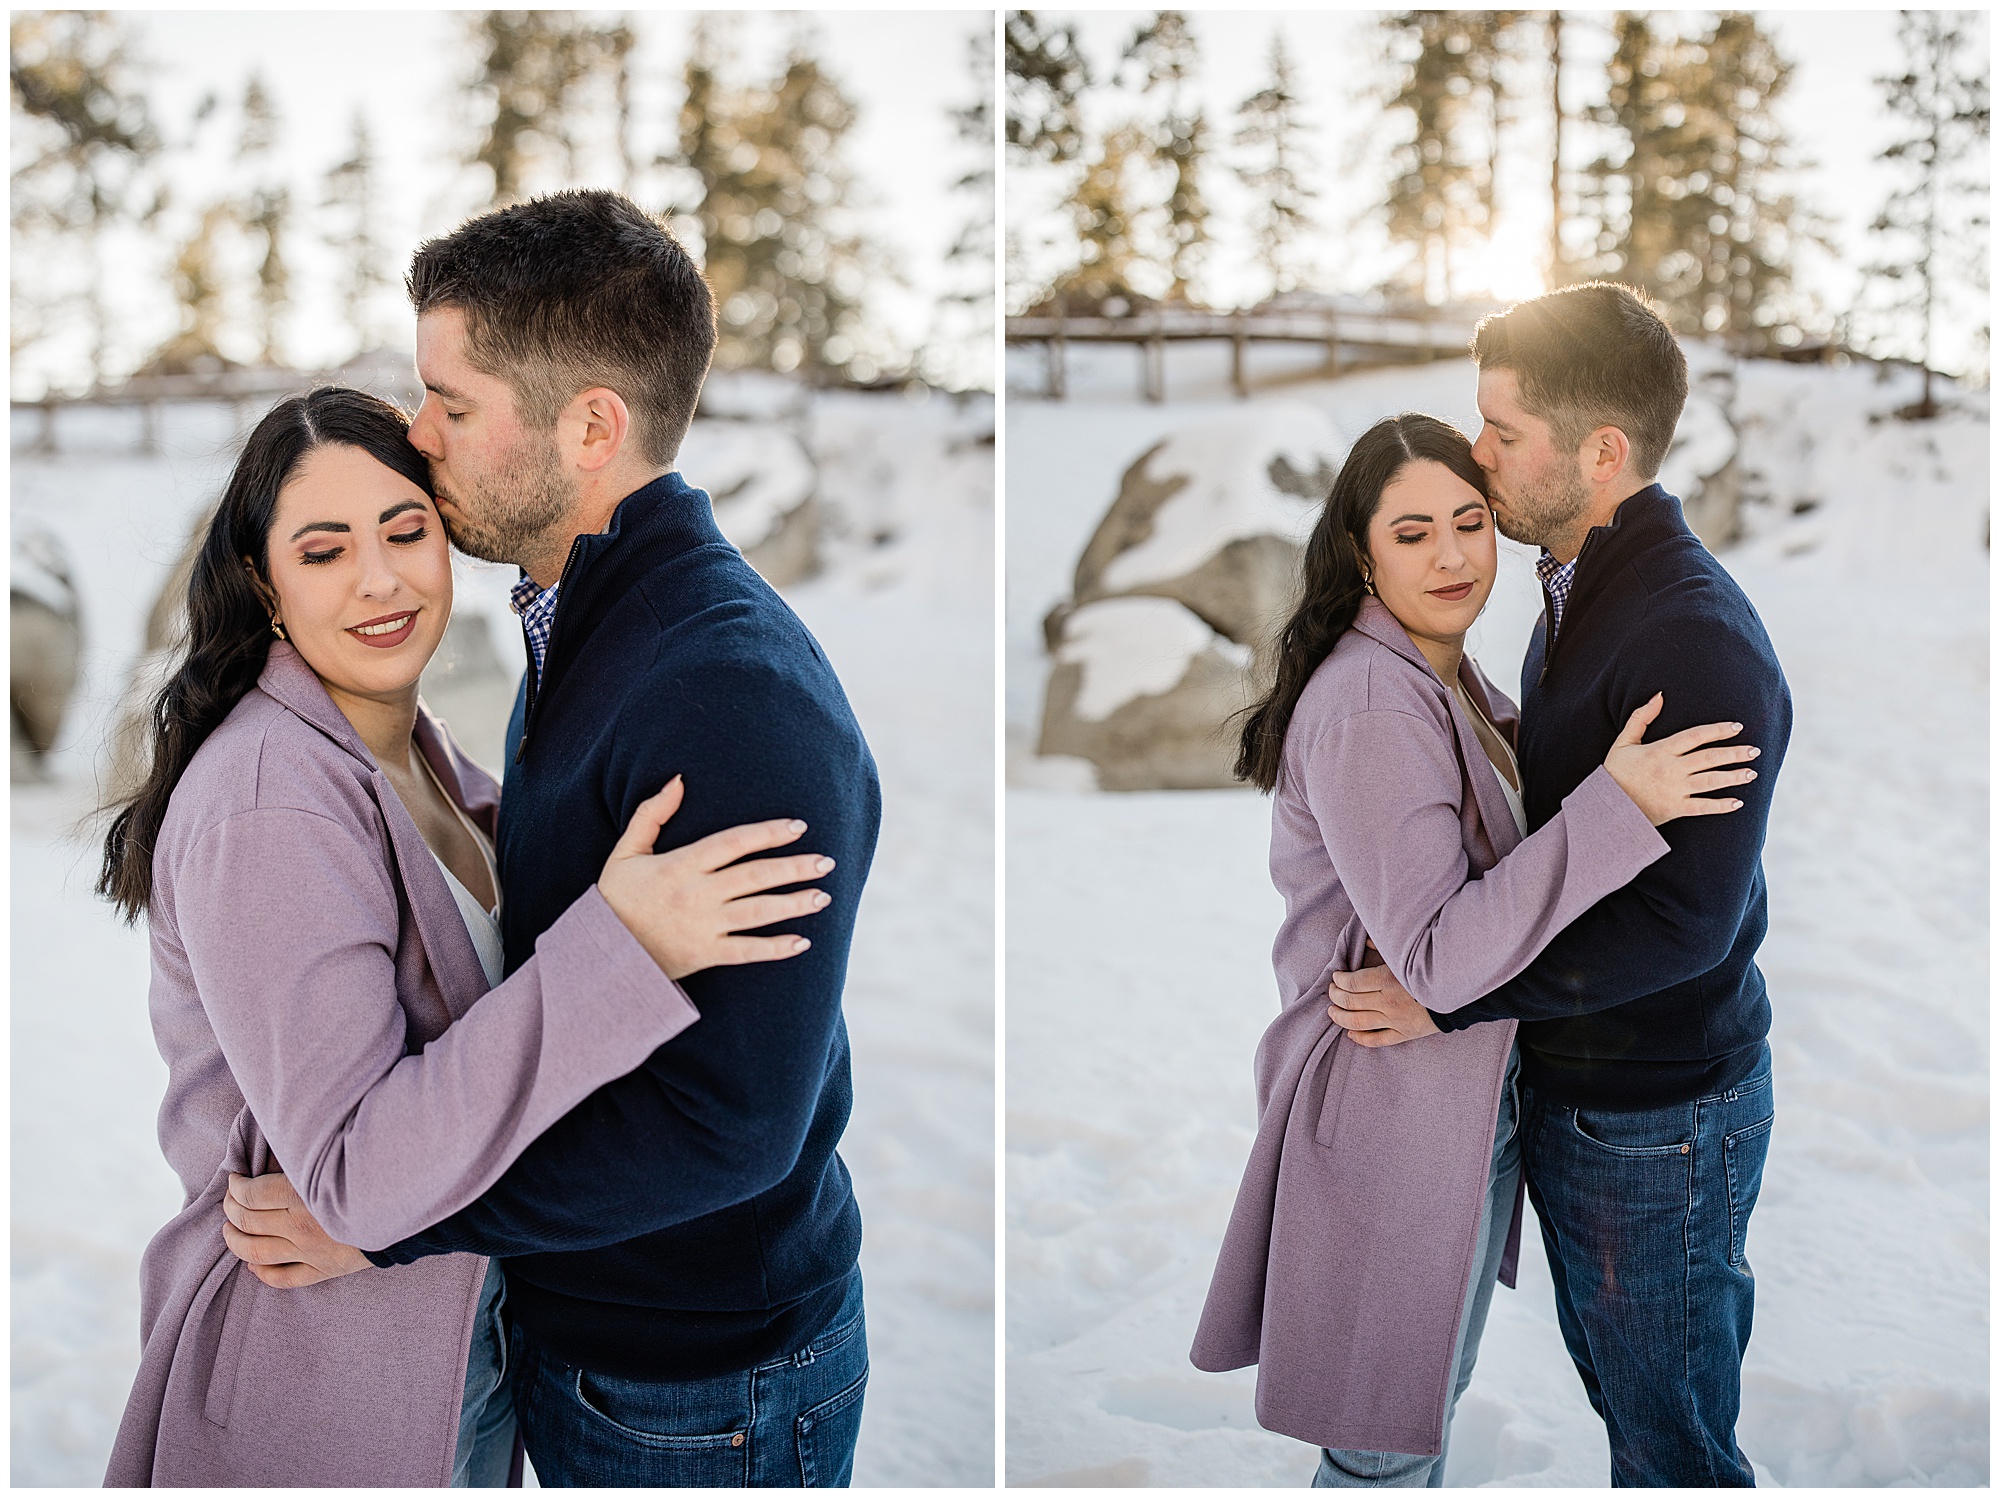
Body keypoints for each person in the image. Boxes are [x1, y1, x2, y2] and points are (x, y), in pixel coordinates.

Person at [218, 190, 883, 1487]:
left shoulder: (725, 691)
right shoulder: (573, 617)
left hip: (702, 1379)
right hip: (602, 1335)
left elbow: (730, 1126)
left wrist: (402, 1222)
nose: (418, 435)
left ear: (591, 425)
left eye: (451, 403)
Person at [99, 388, 835, 1487]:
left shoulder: (414, 753)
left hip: (450, 1348)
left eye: (406, 531)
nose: (380, 579)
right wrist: (618, 945)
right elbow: (350, 1171)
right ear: (264, 581)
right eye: (324, 549)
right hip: (321, 1371)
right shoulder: (272, 800)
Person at [1189, 408, 1763, 1487]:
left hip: (1449, 1097)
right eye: (1410, 533)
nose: (1451, 555)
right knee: (1377, 1447)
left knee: (1408, 1419)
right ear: (1359, 550)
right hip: (1384, 1106)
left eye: (1465, 521)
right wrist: (1614, 805)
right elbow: (1441, 957)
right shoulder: (1371, 701)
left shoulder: (1437, 674)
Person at [1322, 284, 1793, 1486]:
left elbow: (1685, 925)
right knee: (1632, 1418)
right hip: (1589, 1097)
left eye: (1501, 433)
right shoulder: (1572, 589)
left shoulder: (1690, 638)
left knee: (1670, 1448)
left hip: (1659, 1119)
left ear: (1599, 451)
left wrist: (1452, 997)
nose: (1475, 458)